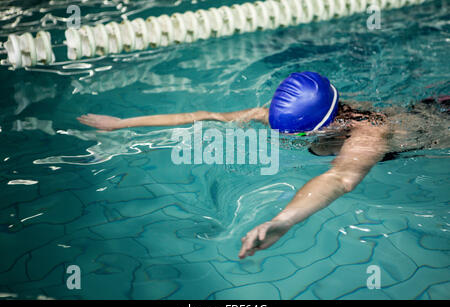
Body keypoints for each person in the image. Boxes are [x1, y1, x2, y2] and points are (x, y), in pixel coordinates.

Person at [77, 71, 450, 259]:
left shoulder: (369, 135)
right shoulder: (277, 114)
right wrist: (123, 124)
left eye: (295, 137)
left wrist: (280, 220)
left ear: (325, 127)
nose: (284, 139)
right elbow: (208, 116)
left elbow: (341, 177)